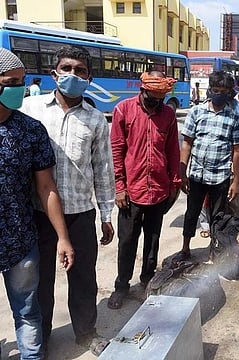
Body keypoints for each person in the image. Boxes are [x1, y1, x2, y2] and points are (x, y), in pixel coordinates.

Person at [21, 45, 115, 356]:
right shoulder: (31, 109)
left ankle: (87, 333)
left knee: (84, 278)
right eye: (67, 68)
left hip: (80, 212)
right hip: (38, 213)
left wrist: (105, 213)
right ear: (54, 73)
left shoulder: (96, 119)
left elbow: (102, 168)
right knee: (40, 280)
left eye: (80, 71)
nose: (72, 75)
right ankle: (41, 337)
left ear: (89, 78)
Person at [0, 47, 73, 360]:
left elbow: (46, 187)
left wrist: (63, 237)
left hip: (19, 238)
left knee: (28, 310)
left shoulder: (30, 130)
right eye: (11, 82)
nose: (19, 87)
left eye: (22, 81)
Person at [108, 70, 181, 310]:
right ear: (143, 90)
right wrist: (120, 187)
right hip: (131, 192)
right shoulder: (123, 110)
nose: (157, 102)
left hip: (159, 190)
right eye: (154, 96)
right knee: (127, 241)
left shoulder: (168, 115)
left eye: (162, 98)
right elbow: (117, 151)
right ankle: (121, 286)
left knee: (153, 240)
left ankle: (147, 280)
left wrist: (174, 183)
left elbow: (172, 151)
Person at [172, 70, 239, 265]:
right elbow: (187, 143)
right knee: (192, 213)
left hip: (221, 177)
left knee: (218, 216)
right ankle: (185, 248)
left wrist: (236, 181)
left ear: (229, 92)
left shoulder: (234, 116)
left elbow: (238, 151)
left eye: (223, 91)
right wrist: (183, 173)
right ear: (209, 90)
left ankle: (215, 250)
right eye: (215, 90)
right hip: (196, 175)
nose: (219, 94)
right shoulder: (197, 112)